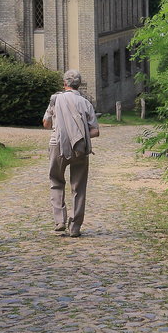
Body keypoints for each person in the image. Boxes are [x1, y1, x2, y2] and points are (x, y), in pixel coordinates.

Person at [43, 69, 100, 237]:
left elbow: (46, 124)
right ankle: (75, 227)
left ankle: (60, 220)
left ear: (65, 83)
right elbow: (95, 131)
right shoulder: (86, 103)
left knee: (56, 181)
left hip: (57, 145)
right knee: (79, 187)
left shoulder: (56, 99)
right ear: (79, 84)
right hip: (80, 147)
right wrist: (78, 133)